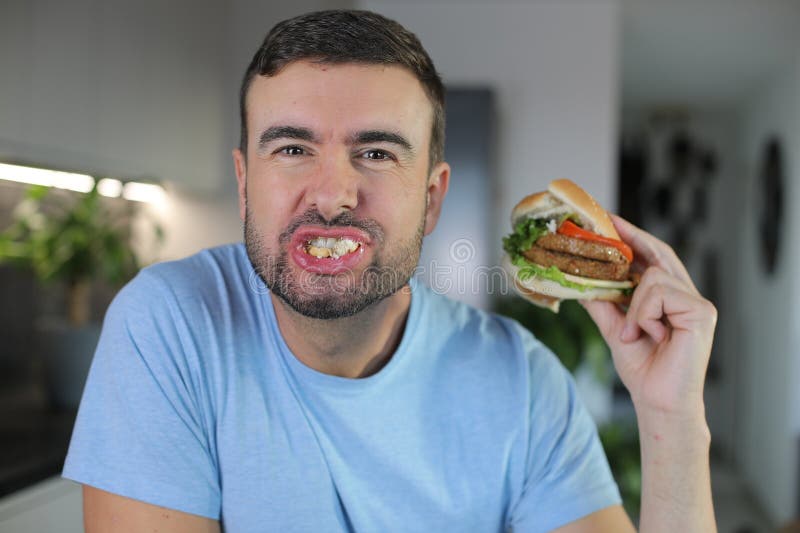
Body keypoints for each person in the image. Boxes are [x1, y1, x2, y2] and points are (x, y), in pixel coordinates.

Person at [63, 9, 717, 533]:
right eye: (292, 148)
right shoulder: (169, 325)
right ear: (243, 183)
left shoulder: (521, 383)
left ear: (432, 198)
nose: (332, 194)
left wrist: (673, 417)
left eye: (375, 152)